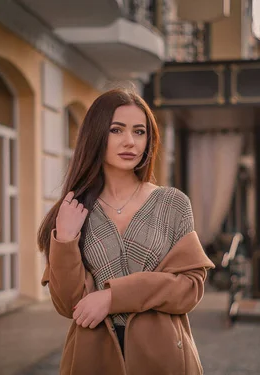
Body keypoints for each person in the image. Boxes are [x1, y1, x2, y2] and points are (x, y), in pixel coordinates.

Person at [37, 88, 215, 374]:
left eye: (139, 131)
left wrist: (112, 297)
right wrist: (66, 240)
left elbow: (190, 289)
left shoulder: (173, 204)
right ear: (96, 135)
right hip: (93, 358)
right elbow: (68, 304)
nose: (130, 142)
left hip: (164, 358)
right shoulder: (75, 210)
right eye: (116, 130)